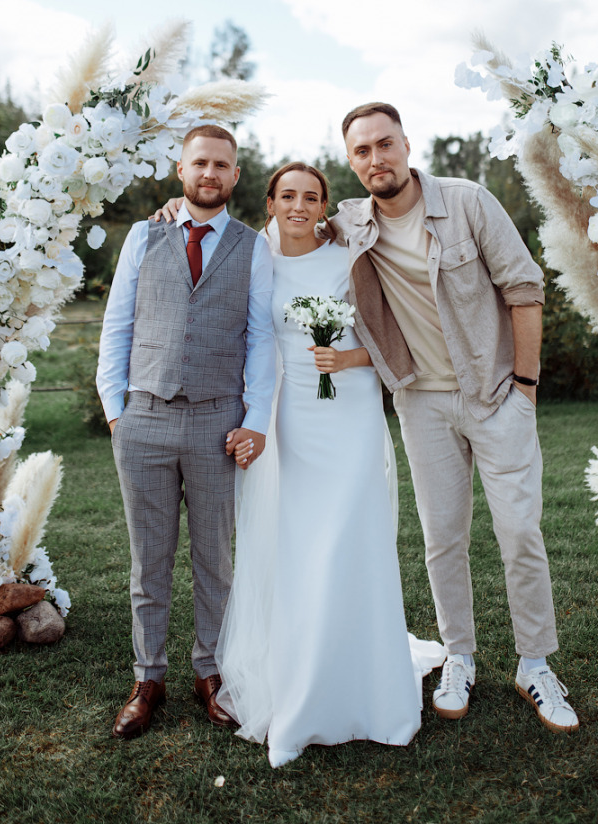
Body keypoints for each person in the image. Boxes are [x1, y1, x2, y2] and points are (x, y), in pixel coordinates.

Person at [158, 163, 443, 767]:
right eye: (288, 195)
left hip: (351, 416)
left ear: (324, 205)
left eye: (310, 196)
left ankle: (372, 689)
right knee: (296, 547)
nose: (299, 205)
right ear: (268, 202)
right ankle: (302, 687)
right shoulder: (249, 253)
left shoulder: (349, 258)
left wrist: (352, 359)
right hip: (286, 418)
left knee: (352, 541)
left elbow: (400, 335)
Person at [335, 102, 578, 733]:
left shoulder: (468, 202)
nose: (375, 160)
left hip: (495, 395)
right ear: (352, 161)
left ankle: (535, 665)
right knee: (443, 539)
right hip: (420, 402)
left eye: (384, 144)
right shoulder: (351, 225)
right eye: (361, 151)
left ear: (407, 145)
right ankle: (459, 657)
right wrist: (180, 209)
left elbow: (524, 289)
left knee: (520, 533)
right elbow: (287, 223)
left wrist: (524, 387)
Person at [96, 124, 275, 740]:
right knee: (149, 560)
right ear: (181, 169)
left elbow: (262, 337)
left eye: (222, 165)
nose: (210, 174)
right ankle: (148, 677)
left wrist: (253, 420)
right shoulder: (144, 238)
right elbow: (117, 324)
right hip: (142, 417)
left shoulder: (254, 248)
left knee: (214, 560)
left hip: (216, 421)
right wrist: (115, 409)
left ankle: (211, 673)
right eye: (200, 163)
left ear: (235, 176)